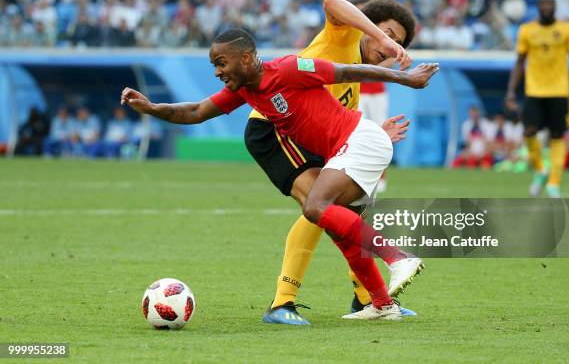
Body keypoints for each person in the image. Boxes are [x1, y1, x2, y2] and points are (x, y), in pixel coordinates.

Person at [121, 28, 439, 321]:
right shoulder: (245, 90)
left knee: (315, 207)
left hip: (360, 140)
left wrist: (405, 78)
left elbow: (346, 71)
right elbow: (195, 111)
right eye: (213, 65)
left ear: (246, 58)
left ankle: (398, 257)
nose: (217, 72)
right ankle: (382, 305)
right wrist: (151, 108)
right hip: (349, 150)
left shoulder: (287, 69)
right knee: (339, 226)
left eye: (221, 62)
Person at [244, 0, 417, 325]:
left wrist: (375, 133)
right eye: (388, 34)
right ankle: (282, 303)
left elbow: (337, 127)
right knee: (318, 207)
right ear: (369, 26)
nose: (390, 46)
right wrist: (378, 35)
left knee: (344, 211)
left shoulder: (353, 85)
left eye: (398, 43)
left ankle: (368, 300)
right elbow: (333, 2)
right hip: (274, 128)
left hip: (308, 139)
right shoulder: (345, 36)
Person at [506, 0, 569, 198]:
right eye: (543, 3)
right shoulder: (527, 30)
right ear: (538, 6)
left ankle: (553, 184)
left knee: (557, 135)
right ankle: (541, 170)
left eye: (551, 3)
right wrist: (511, 91)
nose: (547, 7)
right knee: (529, 131)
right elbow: (519, 62)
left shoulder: (568, 29)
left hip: (560, 91)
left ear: (555, 6)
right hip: (535, 90)